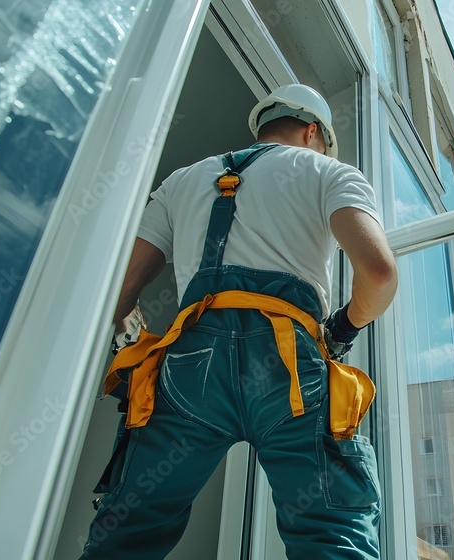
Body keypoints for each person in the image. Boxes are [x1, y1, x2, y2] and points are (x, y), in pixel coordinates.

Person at [79, 83, 397, 559]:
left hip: (190, 367)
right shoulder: (329, 172)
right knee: (330, 531)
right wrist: (343, 329)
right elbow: (379, 273)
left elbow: (116, 294)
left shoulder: (182, 181)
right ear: (313, 132)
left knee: (129, 530)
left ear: (262, 130)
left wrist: (133, 340)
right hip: (288, 368)